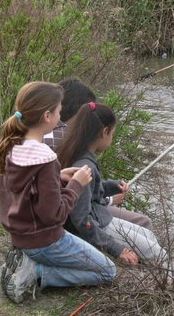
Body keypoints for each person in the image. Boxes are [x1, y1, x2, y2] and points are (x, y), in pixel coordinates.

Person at [0, 81, 115, 304]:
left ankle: (27, 260)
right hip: (44, 240)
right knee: (107, 271)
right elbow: (54, 215)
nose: (62, 117)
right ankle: (35, 273)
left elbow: (25, 189)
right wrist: (76, 185)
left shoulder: (12, 146)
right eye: (59, 110)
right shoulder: (45, 157)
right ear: (47, 116)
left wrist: (58, 177)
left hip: (20, 235)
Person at [57, 102, 166, 264]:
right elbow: (81, 220)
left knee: (149, 236)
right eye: (112, 133)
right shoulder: (85, 167)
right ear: (105, 132)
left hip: (101, 217)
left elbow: (90, 192)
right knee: (159, 255)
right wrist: (116, 248)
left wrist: (111, 186)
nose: (111, 138)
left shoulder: (77, 154)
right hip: (98, 225)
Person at [43, 78, 153, 230]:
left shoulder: (49, 132)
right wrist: (109, 201)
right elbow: (79, 202)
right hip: (73, 215)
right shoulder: (67, 138)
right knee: (144, 223)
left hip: (71, 208)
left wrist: (109, 188)